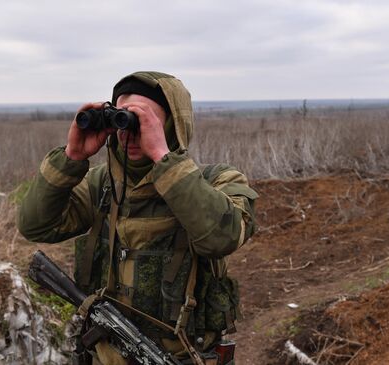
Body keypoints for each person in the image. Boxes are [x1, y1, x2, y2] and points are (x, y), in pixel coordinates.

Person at [17, 71, 257, 364]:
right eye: (121, 119)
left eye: (144, 122)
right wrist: (72, 157)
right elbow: (35, 225)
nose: (128, 133)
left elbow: (223, 236)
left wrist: (162, 156)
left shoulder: (217, 181)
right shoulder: (102, 185)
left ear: (171, 126)